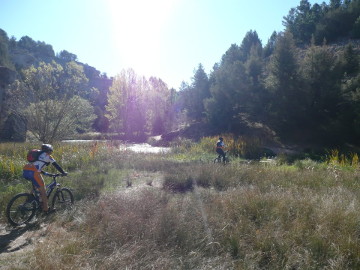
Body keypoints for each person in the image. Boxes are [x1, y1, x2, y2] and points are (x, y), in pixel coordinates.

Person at [23, 144, 67, 213]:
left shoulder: (37, 154)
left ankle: (29, 199)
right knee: (43, 192)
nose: (51, 153)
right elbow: (56, 165)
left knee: (38, 185)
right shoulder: (48, 156)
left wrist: (45, 173)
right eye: (51, 151)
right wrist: (63, 172)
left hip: (26, 170)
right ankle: (46, 210)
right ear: (49, 151)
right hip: (34, 173)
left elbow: (37, 166)